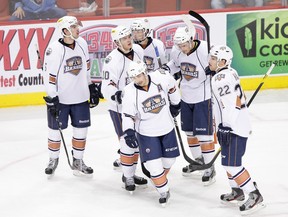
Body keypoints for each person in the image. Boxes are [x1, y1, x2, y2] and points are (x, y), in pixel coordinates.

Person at [43, 16, 102, 177]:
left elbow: (87, 69)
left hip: (81, 98)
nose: (78, 29)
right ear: (65, 30)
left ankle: (78, 160)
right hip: (61, 100)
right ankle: (53, 160)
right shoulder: (54, 49)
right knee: (55, 131)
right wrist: (52, 97)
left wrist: (91, 87)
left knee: (81, 131)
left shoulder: (82, 44)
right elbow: (49, 76)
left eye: (77, 26)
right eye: (74, 27)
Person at [209, 45, 265, 215]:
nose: (209, 61)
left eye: (213, 58)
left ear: (222, 62)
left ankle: (255, 196)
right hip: (233, 125)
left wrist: (226, 126)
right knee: (228, 163)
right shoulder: (230, 72)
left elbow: (232, 103)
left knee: (231, 165)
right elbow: (238, 99)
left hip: (233, 128)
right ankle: (237, 191)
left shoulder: (220, 79)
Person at [121, 60, 181, 205]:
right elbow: (128, 115)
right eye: (133, 77)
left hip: (167, 128)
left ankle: (158, 178)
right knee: (153, 166)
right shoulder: (129, 92)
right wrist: (129, 132)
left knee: (169, 161)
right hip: (146, 132)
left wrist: (176, 104)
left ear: (144, 72)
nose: (137, 80)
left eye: (139, 76)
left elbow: (173, 87)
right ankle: (163, 190)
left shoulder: (161, 76)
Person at [166, 25, 215, 185]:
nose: (182, 48)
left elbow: (222, 60)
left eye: (184, 45)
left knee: (204, 135)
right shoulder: (177, 51)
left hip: (203, 98)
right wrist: (165, 69)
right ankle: (199, 161)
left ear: (191, 40)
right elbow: (175, 63)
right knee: (189, 133)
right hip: (185, 97)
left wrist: (215, 69)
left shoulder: (205, 50)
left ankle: (210, 167)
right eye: (179, 46)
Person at [101, 25, 148, 190]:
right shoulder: (112, 60)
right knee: (127, 142)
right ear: (117, 42)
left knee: (138, 141)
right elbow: (106, 87)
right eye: (124, 38)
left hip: (138, 106)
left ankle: (131, 172)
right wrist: (118, 95)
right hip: (119, 109)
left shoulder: (138, 51)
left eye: (129, 36)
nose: (128, 40)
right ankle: (128, 176)